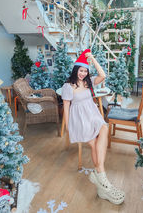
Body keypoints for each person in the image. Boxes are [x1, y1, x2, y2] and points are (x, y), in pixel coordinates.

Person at [61, 49, 125, 204]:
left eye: (85, 71)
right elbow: (66, 107)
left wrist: (93, 60)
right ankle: (102, 179)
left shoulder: (88, 82)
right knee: (94, 143)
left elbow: (103, 75)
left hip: (92, 114)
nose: (83, 73)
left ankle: (99, 173)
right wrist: (69, 127)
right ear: (76, 70)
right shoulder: (68, 86)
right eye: (81, 70)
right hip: (80, 119)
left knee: (104, 128)